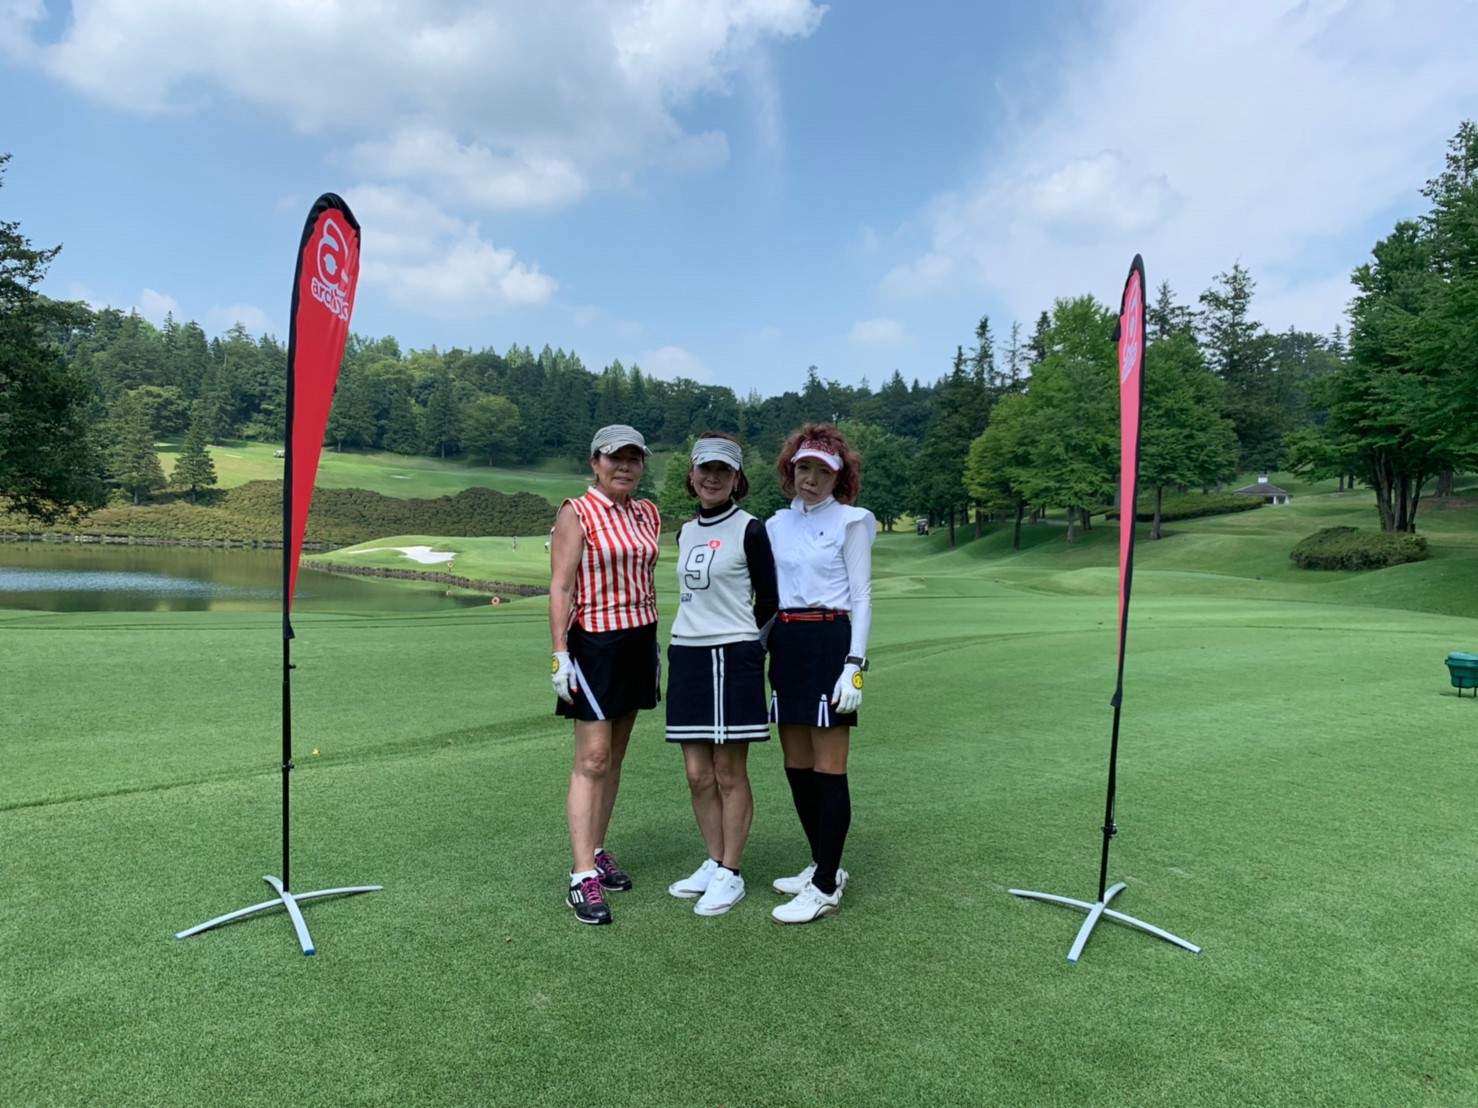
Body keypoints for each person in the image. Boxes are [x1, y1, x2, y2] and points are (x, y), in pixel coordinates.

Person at [549, 424, 662, 925]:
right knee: (593, 757)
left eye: (634, 459)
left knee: (615, 753)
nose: (625, 467)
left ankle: (596, 851)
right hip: (594, 643)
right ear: (595, 462)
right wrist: (560, 652)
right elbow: (561, 587)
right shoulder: (577, 512)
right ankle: (581, 877)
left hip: (639, 639)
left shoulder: (647, 512)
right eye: (616, 458)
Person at [664, 434, 779, 916]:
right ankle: (714, 861)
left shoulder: (750, 529)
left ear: (737, 479)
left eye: (723, 471)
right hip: (687, 655)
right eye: (705, 469)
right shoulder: (684, 532)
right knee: (697, 774)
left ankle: (731, 870)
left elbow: (769, 600)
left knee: (729, 772)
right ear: (691, 475)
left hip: (732, 656)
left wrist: (750, 647)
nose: (712, 478)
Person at [765, 423, 875, 924]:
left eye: (822, 472)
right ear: (790, 469)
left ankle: (826, 884)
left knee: (830, 768)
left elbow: (862, 596)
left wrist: (854, 665)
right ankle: (821, 864)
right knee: (796, 764)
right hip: (786, 642)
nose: (810, 479)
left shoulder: (853, 521)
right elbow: (770, 596)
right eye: (802, 468)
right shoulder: (775, 525)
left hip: (830, 641)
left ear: (838, 477)